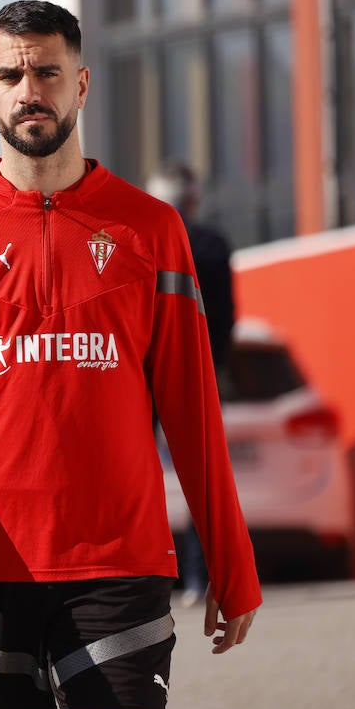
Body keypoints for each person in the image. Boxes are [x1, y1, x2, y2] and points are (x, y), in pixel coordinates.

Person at [0, 0, 260, 709]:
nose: (29, 88)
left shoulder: (152, 231)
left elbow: (193, 409)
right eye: (10, 74)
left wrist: (232, 559)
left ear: (80, 84)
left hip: (118, 561)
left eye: (46, 71)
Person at [145, 162, 237, 606]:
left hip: (139, 377)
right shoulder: (212, 245)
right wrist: (210, 370)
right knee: (202, 479)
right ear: (193, 200)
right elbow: (224, 321)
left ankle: (140, 573)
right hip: (193, 373)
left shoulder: (134, 239)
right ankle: (205, 579)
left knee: (132, 476)